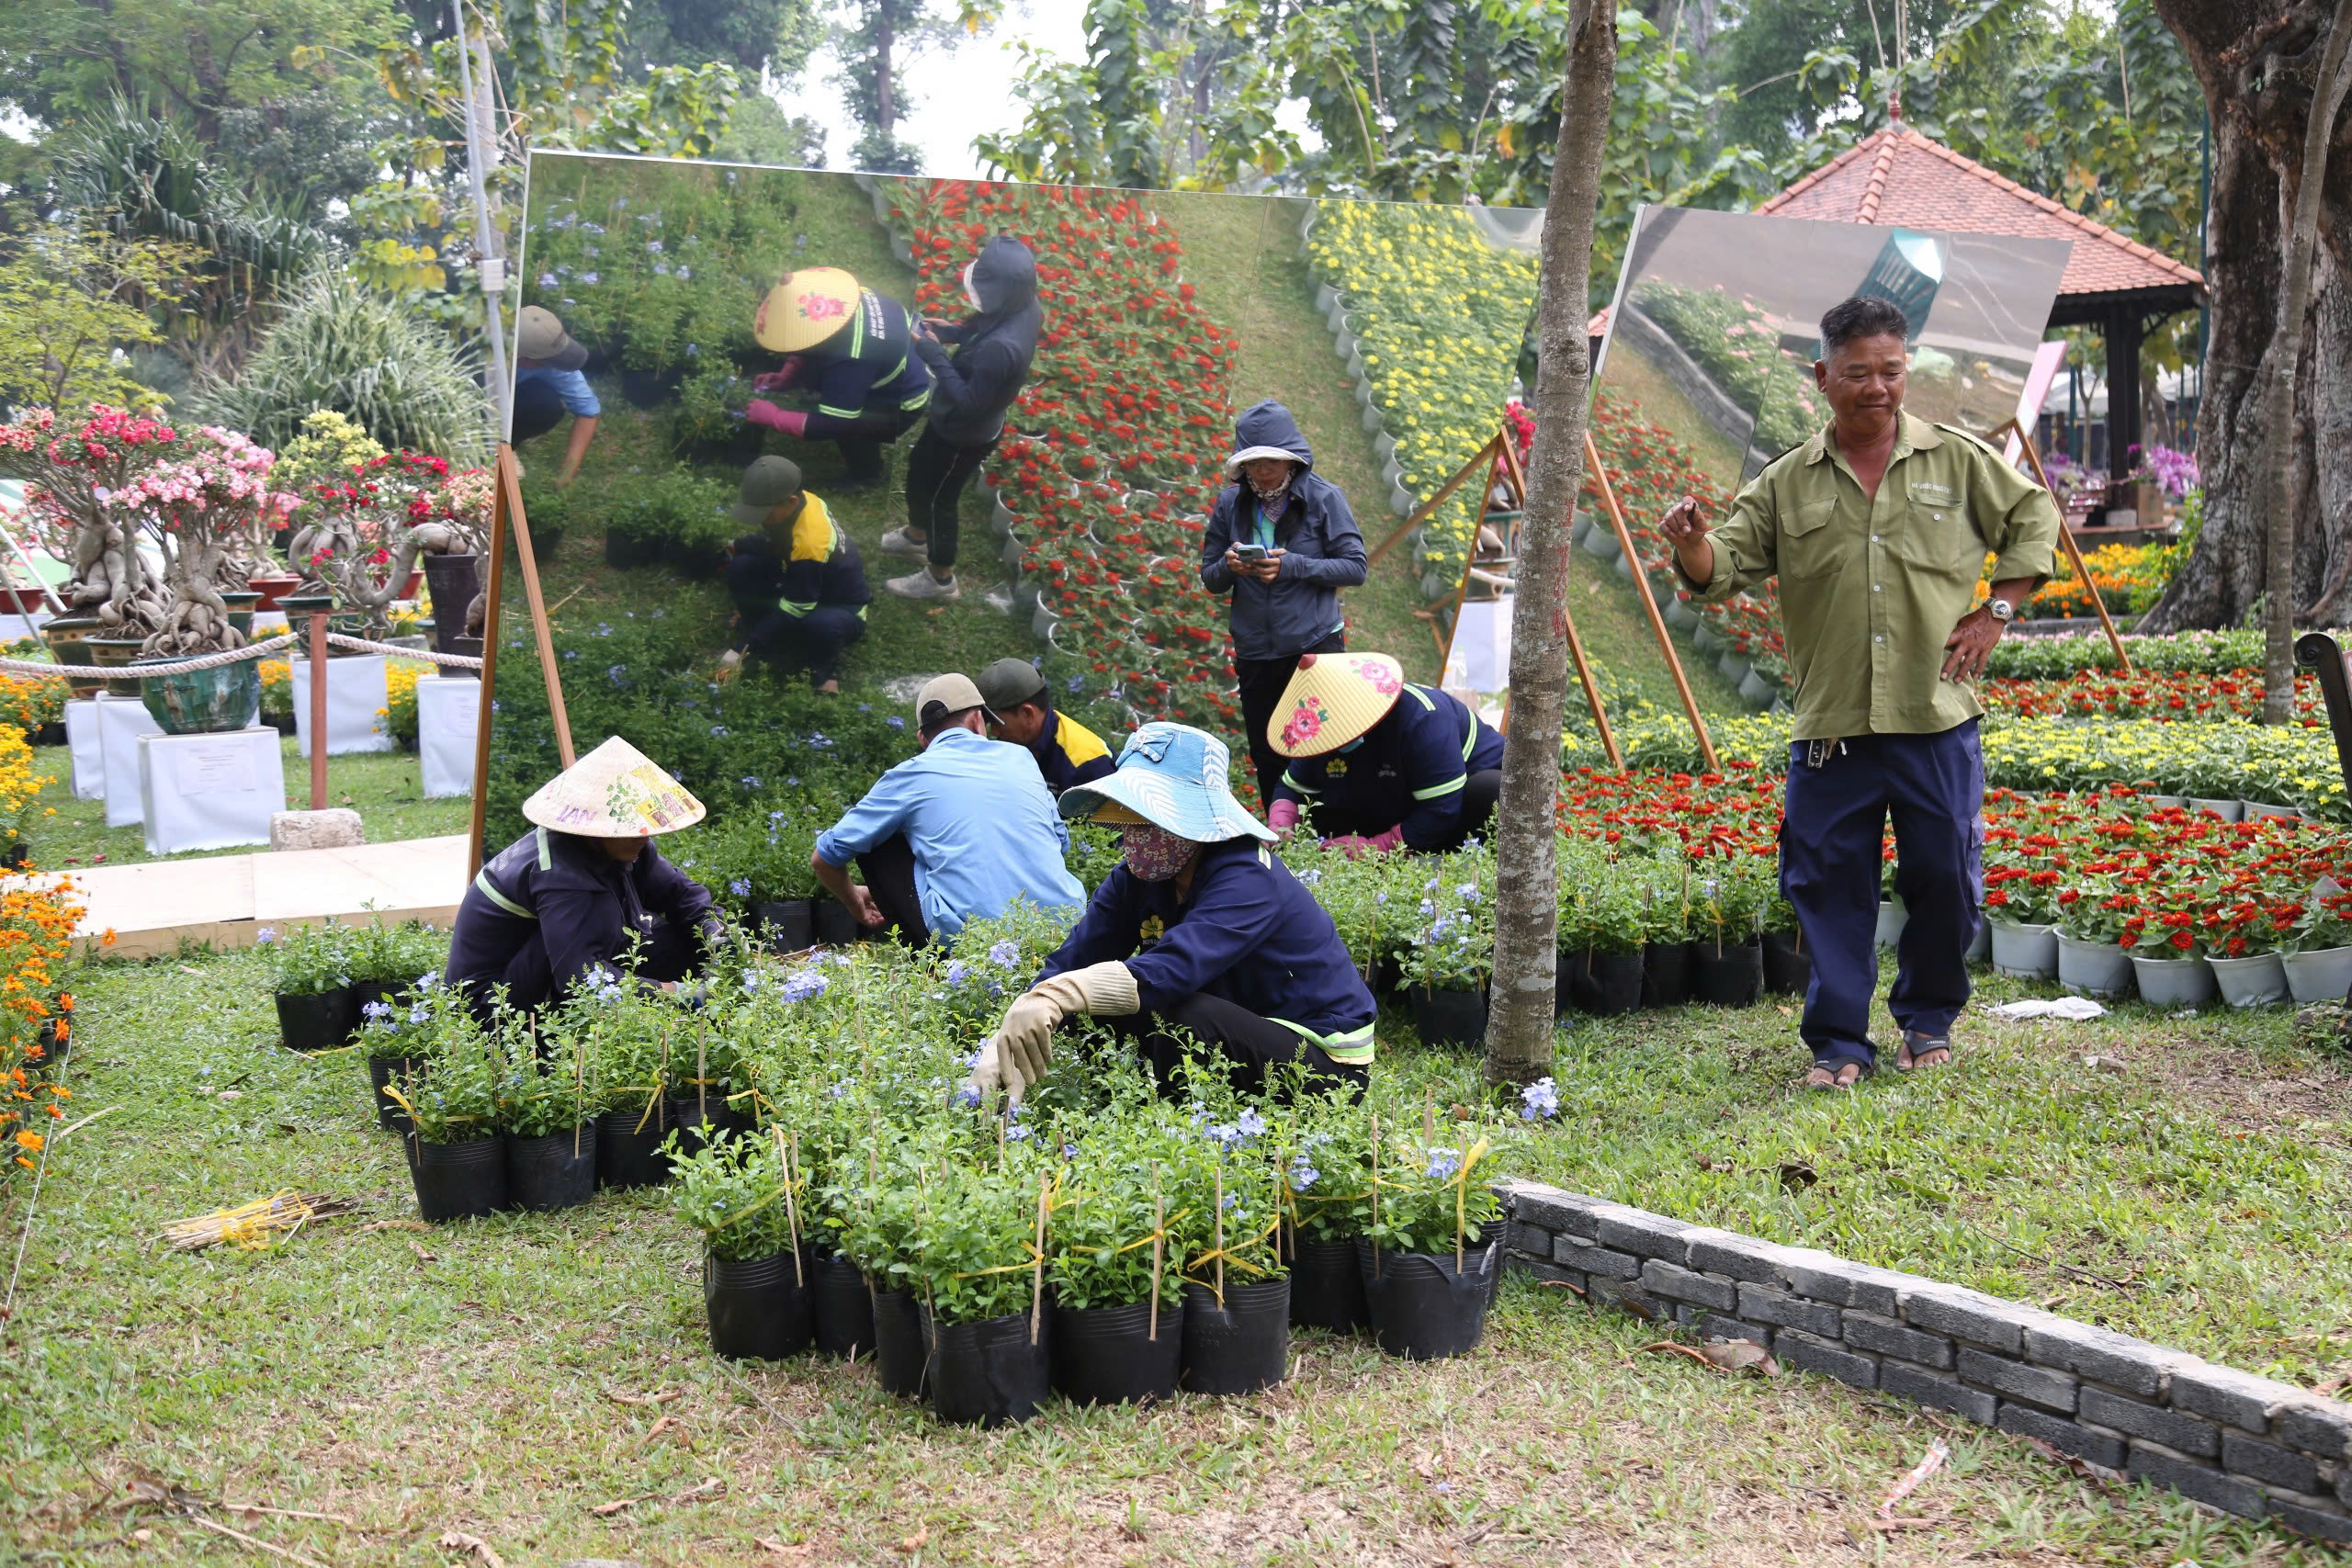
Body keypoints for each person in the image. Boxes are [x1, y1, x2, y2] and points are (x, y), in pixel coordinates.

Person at [1660, 295, 2060, 1091]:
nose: (1876, 387)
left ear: (1905, 370)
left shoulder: (1957, 460)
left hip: (1934, 714)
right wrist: (1693, 542)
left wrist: (1996, 612)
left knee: (1945, 876)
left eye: (1891, 370)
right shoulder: (1786, 483)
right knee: (1828, 887)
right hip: (1832, 725)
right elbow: (1721, 569)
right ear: (1822, 376)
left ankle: (1929, 1019)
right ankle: (1839, 1042)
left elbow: (2034, 516)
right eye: (1857, 373)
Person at [965, 723, 1375, 1106]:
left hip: (1321, 1061)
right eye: (1130, 816)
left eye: (1150, 818)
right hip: (1237, 1027)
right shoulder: (1137, 878)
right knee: (1082, 1006)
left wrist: (1062, 993)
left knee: (1181, 1013)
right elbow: (1077, 957)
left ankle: (1175, 1126)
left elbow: (1175, 968)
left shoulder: (1248, 876)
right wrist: (1012, 1028)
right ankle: (1100, 1105)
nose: (1135, 833)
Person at [447, 737, 721, 1024]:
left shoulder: (626, 846)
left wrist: (716, 936)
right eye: (629, 827)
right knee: (600, 937)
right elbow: (578, 975)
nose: (644, 836)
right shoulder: (561, 874)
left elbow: (680, 894)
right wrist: (673, 993)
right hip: (492, 1005)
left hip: (543, 966)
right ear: (598, 828)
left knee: (682, 938)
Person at [810, 673, 1085, 947]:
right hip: (1065, 930)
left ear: (923, 739)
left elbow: (824, 858)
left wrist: (853, 899)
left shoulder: (911, 775)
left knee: (881, 837)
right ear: (977, 720)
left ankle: (931, 962)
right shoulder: (1022, 757)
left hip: (975, 942)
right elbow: (1060, 842)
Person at [1199, 400, 1368, 809]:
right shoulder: (1229, 504)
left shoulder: (1324, 498)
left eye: (1271, 460)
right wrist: (1230, 566)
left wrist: (1292, 566)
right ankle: (1282, 832)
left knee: (1329, 747)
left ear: (1291, 458)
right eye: (1253, 462)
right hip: (1256, 651)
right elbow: (1210, 577)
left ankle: (1339, 830)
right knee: (1269, 751)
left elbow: (1355, 567)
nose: (1262, 470)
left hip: (1314, 647)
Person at [882, 235, 1043, 603]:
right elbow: (987, 324)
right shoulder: (1025, 303)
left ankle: (940, 579)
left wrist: (932, 352)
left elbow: (971, 403)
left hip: (963, 435)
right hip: (950, 422)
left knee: (941, 500)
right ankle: (916, 537)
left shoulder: (1001, 349)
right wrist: (955, 332)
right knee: (919, 469)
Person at [1265, 652, 1504, 854]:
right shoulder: (1318, 731)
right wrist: (1280, 826)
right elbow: (1293, 788)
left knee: (1489, 791)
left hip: (1459, 805)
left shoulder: (1424, 721)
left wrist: (1374, 849)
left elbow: (1441, 810)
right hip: (1396, 798)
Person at [744, 268, 933, 491]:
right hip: (888, 364)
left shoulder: (852, 358)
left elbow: (834, 423)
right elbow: (808, 340)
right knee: (843, 394)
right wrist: (789, 373)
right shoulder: (842, 303)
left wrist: (774, 416)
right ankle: (845, 401)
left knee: (851, 429)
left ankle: (865, 476)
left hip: (901, 399)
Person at [718, 457, 869, 693]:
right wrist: (737, 545)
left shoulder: (811, 544)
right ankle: (762, 628)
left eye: (765, 514)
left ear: (791, 501)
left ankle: (824, 673)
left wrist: (744, 648)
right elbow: (778, 542)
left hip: (840, 606)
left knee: (821, 626)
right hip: (804, 579)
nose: (761, 520)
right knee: (740, 568)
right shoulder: (803, 501)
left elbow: (800, 605)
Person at [974, 656, 1114, 795]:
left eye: (996, 722)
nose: (994, 731)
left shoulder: (1087, 765)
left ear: (1027, 713)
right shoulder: (1020, 739)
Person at [510, 306, 599, 486]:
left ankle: (507, 445)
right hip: (478, 392)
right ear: (522, 357)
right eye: (547, 362)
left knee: (547, 405)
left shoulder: (550, 361)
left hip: (514, 395)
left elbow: (588, 412)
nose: (554, 366)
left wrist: (566, 474)